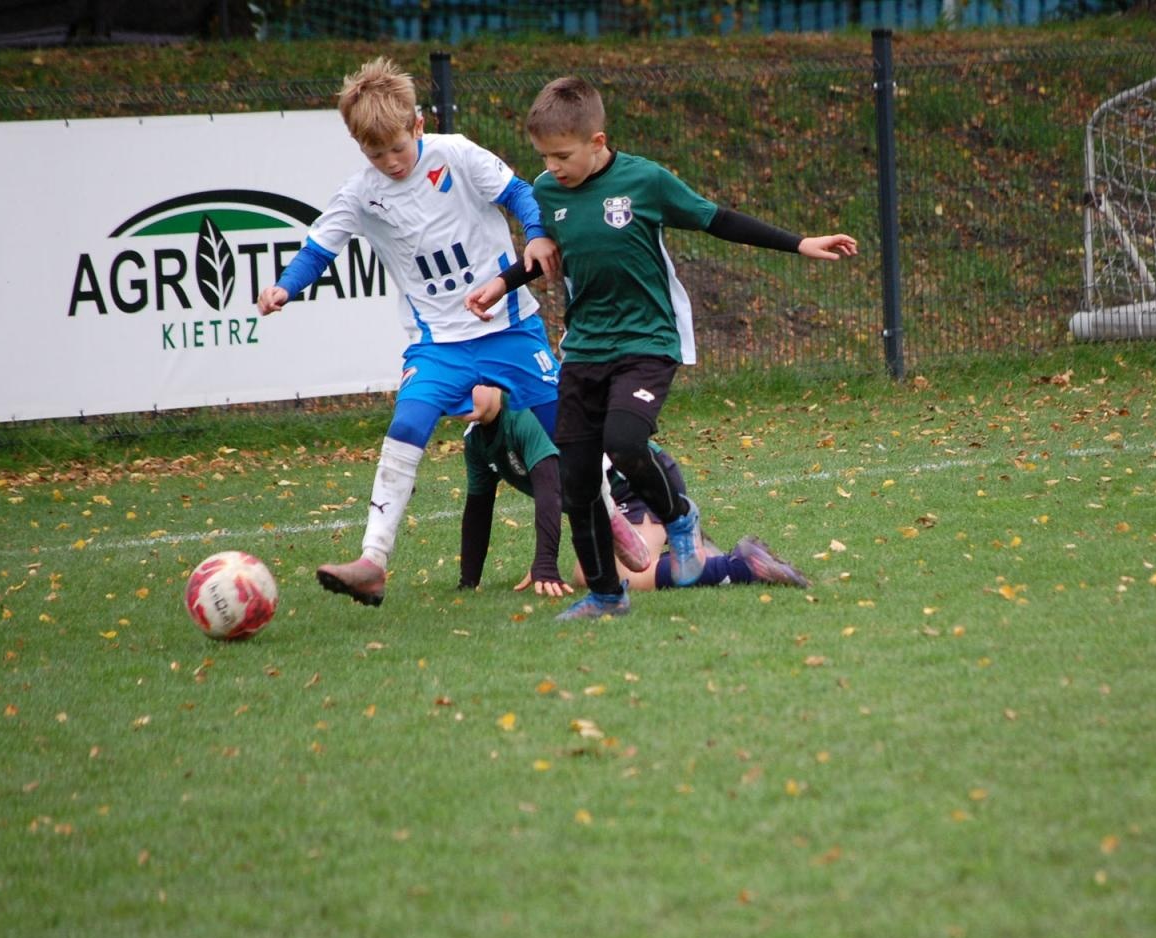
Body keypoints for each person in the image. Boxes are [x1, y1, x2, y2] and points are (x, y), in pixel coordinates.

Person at [464, 75, 856, 621]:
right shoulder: (548, 192)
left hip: (648, 341)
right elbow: (545, 255)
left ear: (597, 142)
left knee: (625, 441)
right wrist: (501, 284)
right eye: (544, 157)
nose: (552, 168)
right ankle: (606, 596)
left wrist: (798, 243)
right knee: (577, 481)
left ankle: (679, 515)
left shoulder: (644, 181)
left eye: (562, 155)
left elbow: (714, 218)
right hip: (584, 349)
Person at [256, 56, 561, 608]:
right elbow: (321, 247)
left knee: (568, 431)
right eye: (377, 154)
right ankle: (372, 561)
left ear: (418, 125)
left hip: (509, 327)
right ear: (359, 149)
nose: (391, 162)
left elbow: (519, 193)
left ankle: (614, 520)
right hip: (439, 344)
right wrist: (285, 287)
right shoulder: (360, 193)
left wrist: (536, 234)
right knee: (408, 420)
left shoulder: (457, 154)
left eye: (398, 148)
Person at [457, 386, 809, 600]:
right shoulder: (475, 440)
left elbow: (549, 491)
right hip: (603, 503)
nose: (460, 394)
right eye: (454, 386)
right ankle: (698, 549)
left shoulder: (522, 415)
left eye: (470, 384)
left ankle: (742, 566)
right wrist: (468, 582)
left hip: (638, 484)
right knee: (591, 571)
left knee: (609, 575)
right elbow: (477, 508)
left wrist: (545, 565)